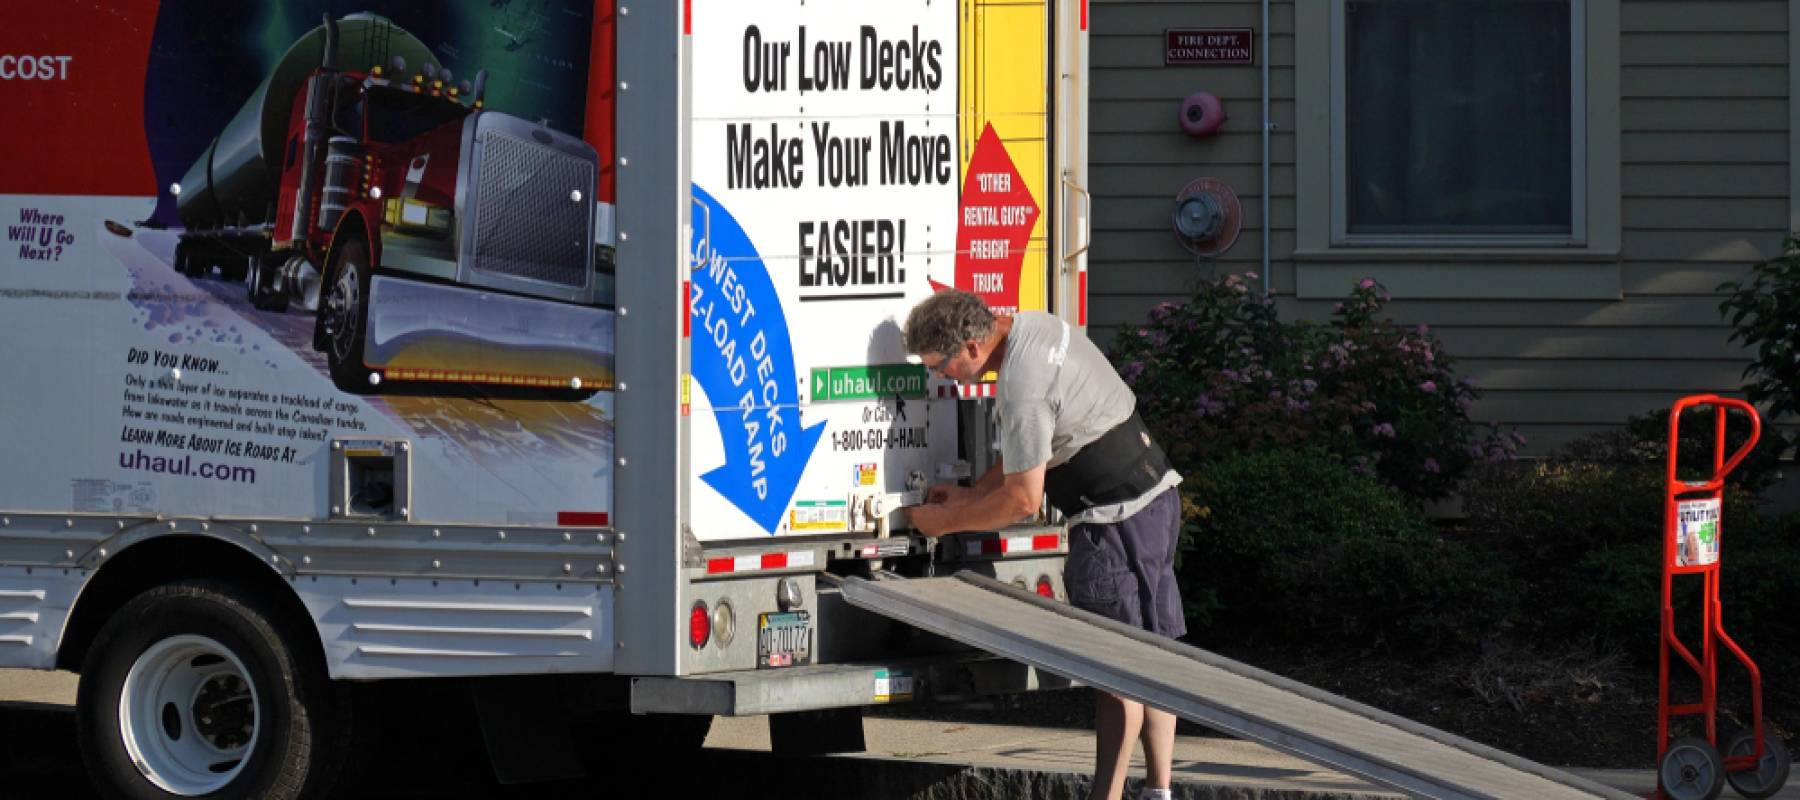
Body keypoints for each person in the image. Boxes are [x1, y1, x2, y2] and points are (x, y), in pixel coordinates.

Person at [903, 290, 1185, 800]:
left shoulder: (1021, 387)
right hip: (1158, 495)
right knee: (1155, 654)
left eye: (939, 365)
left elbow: (1023, 499)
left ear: (970, 347)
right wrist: (970, 493)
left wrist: (944, 523)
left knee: (1115, 672)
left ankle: (1109, 795)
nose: (940, 376)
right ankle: (1159, 790)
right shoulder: (1035, 328)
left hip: (1111, 522)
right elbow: (1030, 454)